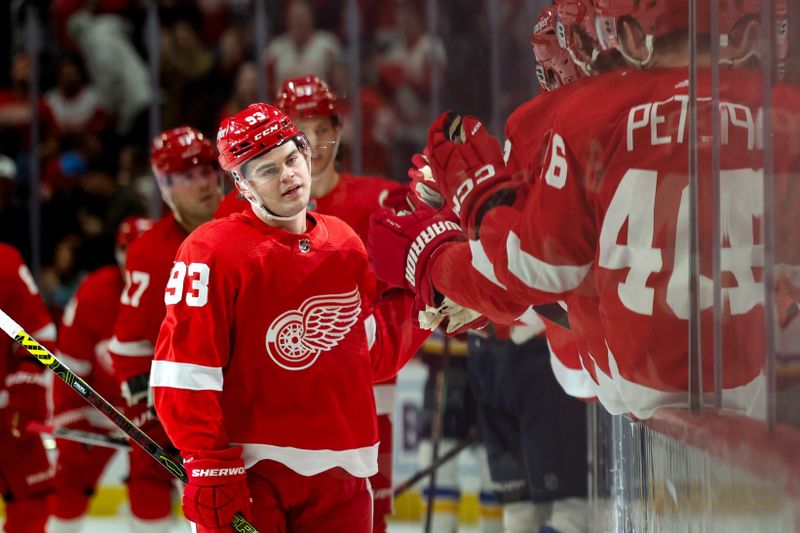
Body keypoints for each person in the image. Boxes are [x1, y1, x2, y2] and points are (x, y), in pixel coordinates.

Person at [375, 0, 768, 419]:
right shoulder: (765, 106)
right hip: (745, 380)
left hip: (625, 372)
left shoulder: (574, 114)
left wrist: (455, 227)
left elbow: (524, 276)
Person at [151, 102, 430, 532]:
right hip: (252, 474)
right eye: (266, 169)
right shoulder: (213, 249)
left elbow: (366, 351)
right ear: (241, 184)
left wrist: (426, 304)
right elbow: (185, 371)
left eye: (293, 158)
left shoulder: (344, 243)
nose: (289, 175)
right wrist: (206, 461)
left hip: (344, 470)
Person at [108, 126, 222, 531]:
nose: (204, 185)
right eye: (188, 177)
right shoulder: (150, 250)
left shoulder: (253, 226)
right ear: (166, 187)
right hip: (189, 410)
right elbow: (128, 346)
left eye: (207, 171)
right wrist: (147, 413)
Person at [48, 216, 153, 533]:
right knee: (70, 486)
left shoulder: (176, 291)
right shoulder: (95, 292)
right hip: (96, 414)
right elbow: (68, 370)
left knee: (151, 496)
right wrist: (69, 424)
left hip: (152, 419)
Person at [0, 243, 57, 533]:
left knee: (32, 505)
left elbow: (39, 335)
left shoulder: (5, 262)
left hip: (6, 413)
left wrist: (25, 397)